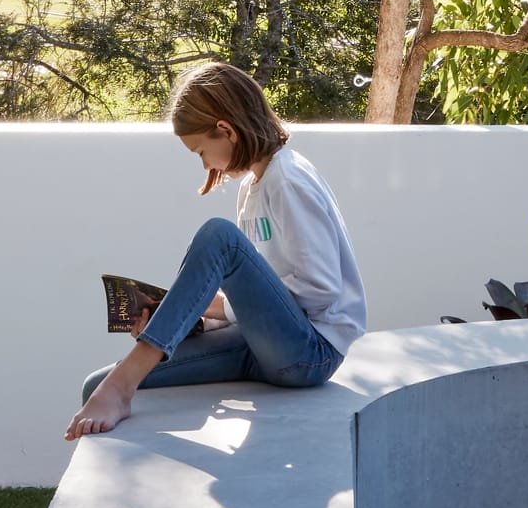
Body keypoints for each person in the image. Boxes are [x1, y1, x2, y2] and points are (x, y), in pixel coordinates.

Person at [67, 60, 366, 439]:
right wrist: (195, 321)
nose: (205, 164)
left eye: (200, 151)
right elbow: (263, 296)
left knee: (218, 235)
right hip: (263, 346)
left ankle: (121, 386)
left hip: (311, 351)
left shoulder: (287, 179)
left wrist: (212, 307)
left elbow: (319, 291)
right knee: (95, 384)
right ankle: (118, 384)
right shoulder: (252, 189)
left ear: (226, 130)